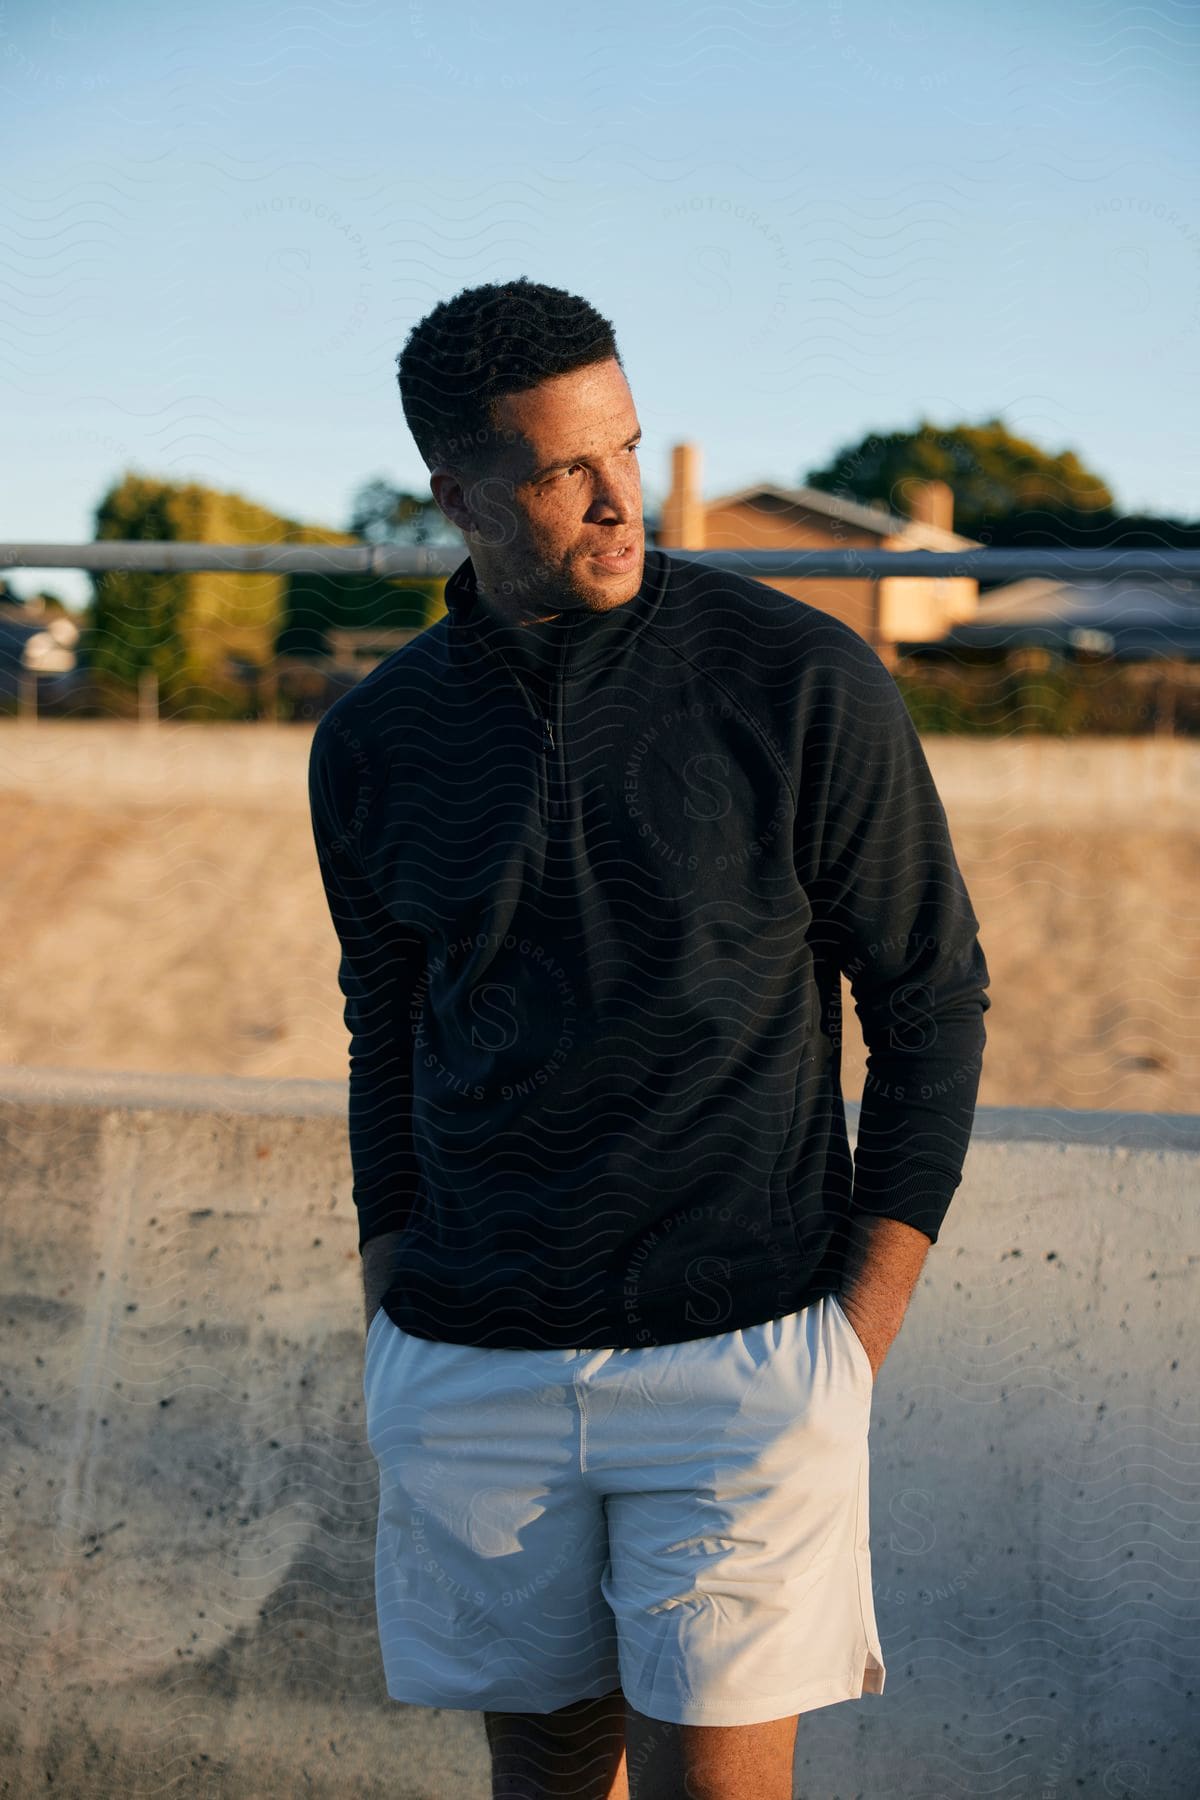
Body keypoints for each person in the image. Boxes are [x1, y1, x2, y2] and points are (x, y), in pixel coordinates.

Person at [308, 278, 991, 1800]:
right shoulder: (373, 739)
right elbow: (389, 1030)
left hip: (746, 1350)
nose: (624, 498)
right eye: (565, 469)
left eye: (627, 443)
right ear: (460, 494)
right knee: (549, 1777)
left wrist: (849, 1344)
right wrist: (391, 1296)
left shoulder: (804, 681)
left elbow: (931, 998)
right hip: (472, 1355)